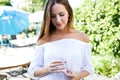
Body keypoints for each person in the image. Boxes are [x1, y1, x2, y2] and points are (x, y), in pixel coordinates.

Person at [28, 0, 94, 80]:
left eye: (61, 14)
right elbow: (32, 72)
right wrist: (47, 69)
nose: (58, 20)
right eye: (53, 16)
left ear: (69, 13)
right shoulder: (44, 40)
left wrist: (78, 76)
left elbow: (88, 67)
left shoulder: (82, 38)